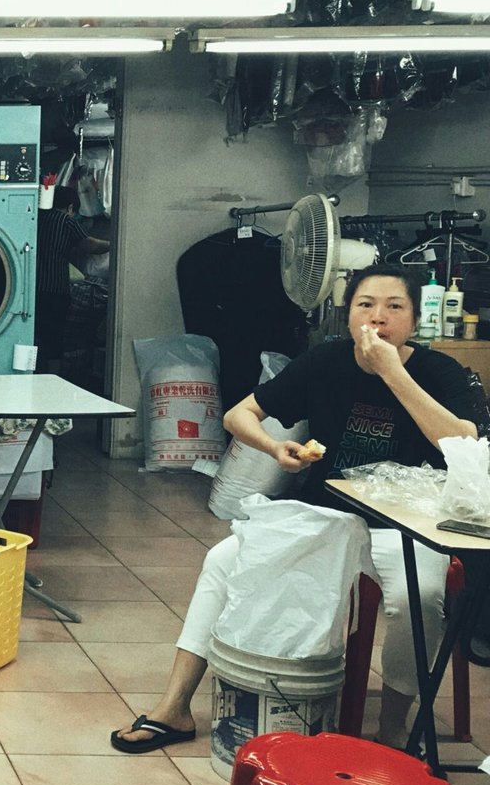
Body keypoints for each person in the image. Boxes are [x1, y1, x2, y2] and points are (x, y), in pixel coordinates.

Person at [111, 264, 481, 754]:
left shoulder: (440, 372)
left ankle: (393, 731)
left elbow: (463, 441)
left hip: (405, 524)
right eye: (365, 305)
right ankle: (175, 707)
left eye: (395, 307)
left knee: (421, 593)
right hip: (323, 514)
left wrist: (393, 372)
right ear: (347, 316)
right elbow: (237, 414)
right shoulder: (325, 361)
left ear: (414, 320)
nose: (378, 317)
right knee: (222, 561)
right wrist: (273, 448)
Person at [36, 186, 110, 370]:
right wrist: (115, 242)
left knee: (35, 334)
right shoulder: (64, 221)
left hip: (32, 289)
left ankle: (35, 370)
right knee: (54, 337)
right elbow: (89, 245)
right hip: (54, 289)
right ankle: (51, 378)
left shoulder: (36, 217)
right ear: (70, 207)